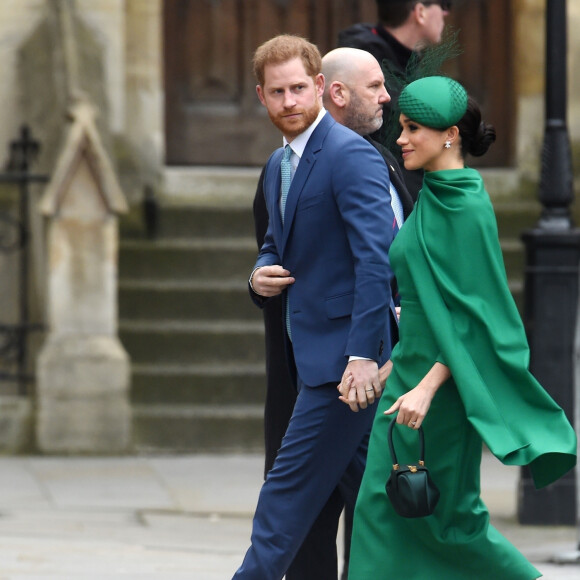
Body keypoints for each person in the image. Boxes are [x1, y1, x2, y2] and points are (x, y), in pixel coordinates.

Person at [339, 76, 577, 579]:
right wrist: (388, 370)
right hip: (407, 383)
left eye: (413, 128)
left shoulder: (466, 205)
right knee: (389, 517)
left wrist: (424, 388)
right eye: (401, 126)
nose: (400, 138)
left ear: (449, 134)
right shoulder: (434, 195)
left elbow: (478, 318)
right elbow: (431, 307)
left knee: (449, 520)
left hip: (437, 395)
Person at [234, 34, 396, 580]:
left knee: (282, 501)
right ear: (262, 96)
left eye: (299, 88)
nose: (289, 102)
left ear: (322, 88)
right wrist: (260, 274)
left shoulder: (351, 155)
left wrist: (360, 357)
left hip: (343, 369)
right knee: (383, 511)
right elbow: (280, 242)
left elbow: (377, 263)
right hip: (310, 360)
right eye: (277, 92)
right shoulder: (282, 162)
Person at [338, 0, 452, 198]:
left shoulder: (410, 61)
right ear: (421, 12)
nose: (446, 13)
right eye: (444, 4)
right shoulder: (363, 65)